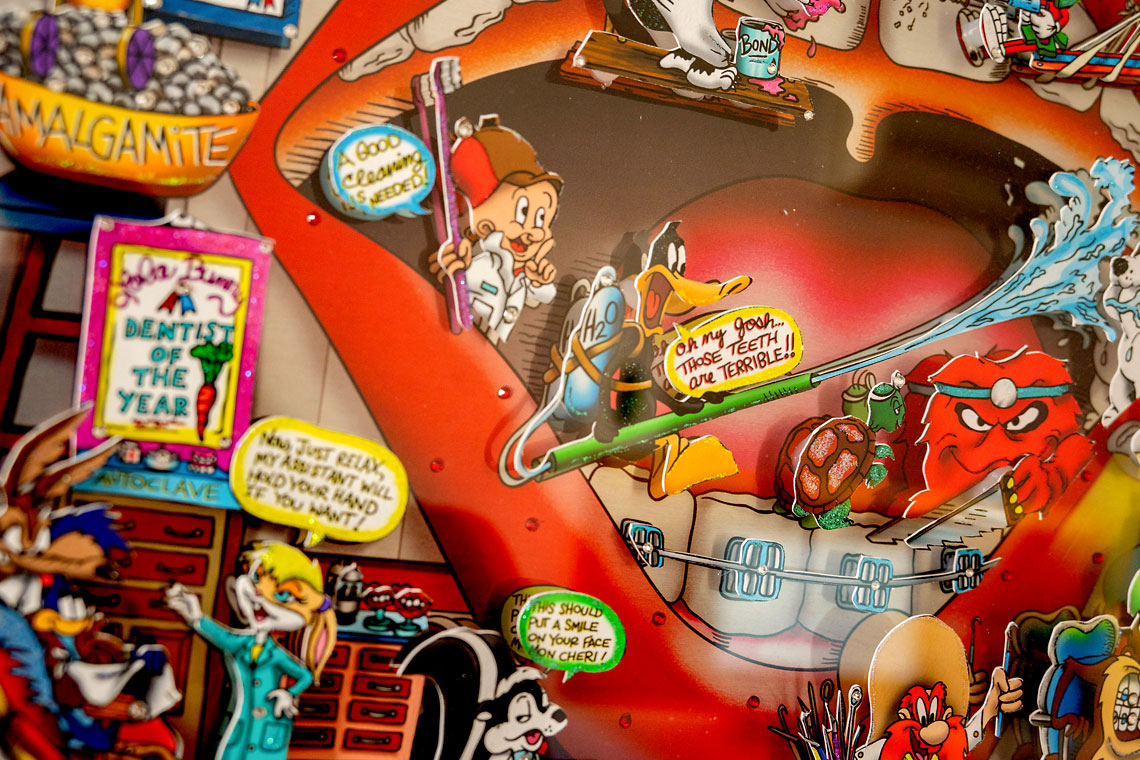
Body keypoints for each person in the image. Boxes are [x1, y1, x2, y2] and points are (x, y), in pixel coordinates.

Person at [165, 542, 336, 760]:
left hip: (269, 728)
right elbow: (221, 636)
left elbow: (305, 675)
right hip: (239, 727)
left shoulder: (276, 654)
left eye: (282, 595)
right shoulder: (240, 643)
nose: (258, 596)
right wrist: (196, 617)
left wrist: (289, 694)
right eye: (255, 579)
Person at [432, 115, 562, 344]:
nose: (535, 232)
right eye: (522, 212)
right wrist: (455, 268)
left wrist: (537, 279)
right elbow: (459, 275)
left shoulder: (518, 271)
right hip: (457, 343)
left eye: (541, 219)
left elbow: (539, 296)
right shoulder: (481, 263)